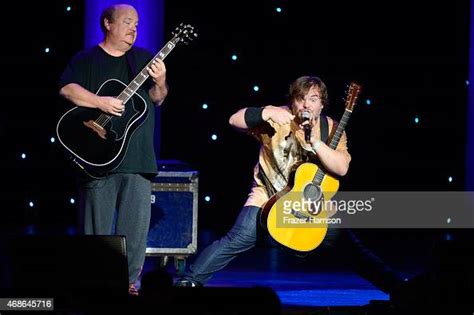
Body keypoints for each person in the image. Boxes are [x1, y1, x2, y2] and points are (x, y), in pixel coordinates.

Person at [175, 76, 403, 294]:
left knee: (351, 249)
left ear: (322, 104)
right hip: (269, 196)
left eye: (313, 99)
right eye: (300, 98)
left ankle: (400, 290)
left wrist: (316, 143)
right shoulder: (277, 118)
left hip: (312, 205)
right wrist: (266, 112)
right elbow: (234, 120)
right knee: (239, 237)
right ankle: (188, 282)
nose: (306, 104)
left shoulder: (331, 128)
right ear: (292, 101)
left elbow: (341, 168)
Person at [58, 4, 168, 295]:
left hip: (138, 158)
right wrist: (100, 102)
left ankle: (130, 282)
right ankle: (95, 281)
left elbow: (158, 99)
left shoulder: (143, 60)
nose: (134, 28)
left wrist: (160, 81)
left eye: (137, 23)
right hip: (97, 157)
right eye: (127, 22)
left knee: (135, 230)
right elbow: (67, 89)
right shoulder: (86, 59)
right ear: (107, 23)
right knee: (97, 229)